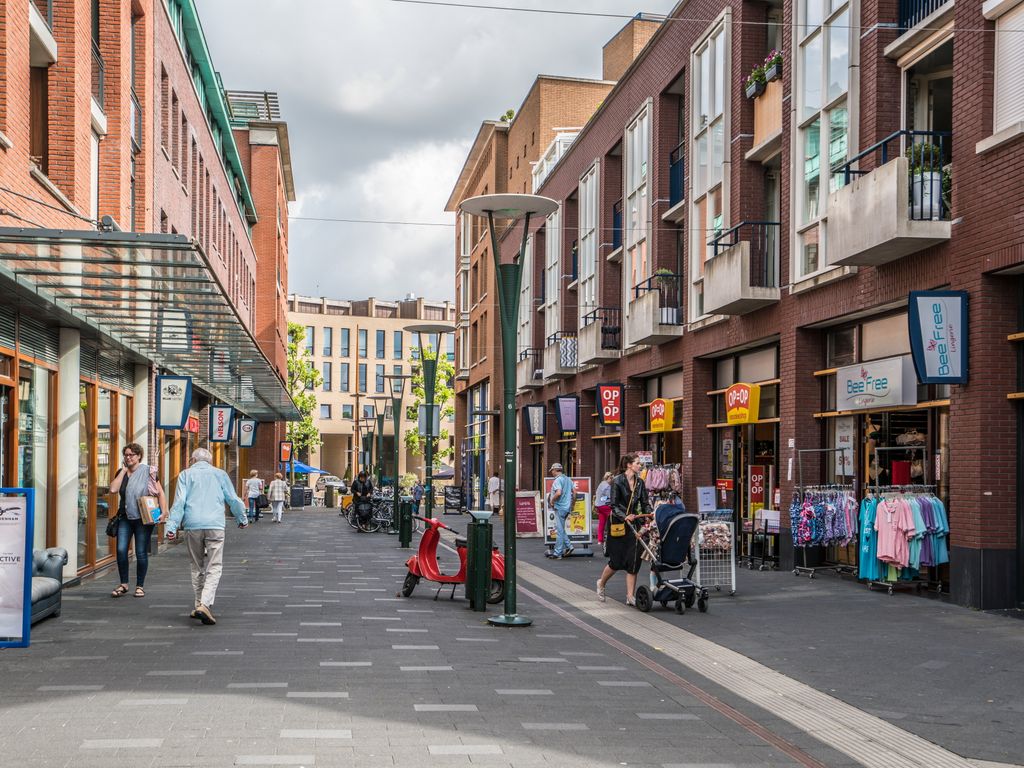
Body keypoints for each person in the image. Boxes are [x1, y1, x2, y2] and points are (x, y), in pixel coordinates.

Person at [165, 447, 248, 625]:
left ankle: (198, 605)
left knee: (196, 566)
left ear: (193, 460)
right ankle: (205, 604)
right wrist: (242, 518)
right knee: (214, 566)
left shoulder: (185, 475)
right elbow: (232, 498)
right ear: (210, 461)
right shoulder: (220, 474)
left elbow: (179, 502)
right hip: (215, 525)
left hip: (192, 524)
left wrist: (171, 527)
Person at [108, 442, 168, 599]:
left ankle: (140, 586)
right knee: (121, 550)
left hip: (144, 517)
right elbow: (113, 489)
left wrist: (164, 512)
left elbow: (160, 493)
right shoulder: (121, 472)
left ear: (139, 456)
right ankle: (124, 584)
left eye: (131, 455)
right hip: (124, 517)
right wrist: (123, 471)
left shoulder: (148, 471)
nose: (128, 457)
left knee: (141, 552)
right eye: (126, 455)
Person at [596, 454, 651, 604]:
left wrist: (650, 513)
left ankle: (630, 596)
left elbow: (645, 502)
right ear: (629, 465)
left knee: (634, 560)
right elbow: (613, 505)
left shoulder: (640, 483)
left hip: (634, 524)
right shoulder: (617, 481)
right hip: (618, 524)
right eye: (638, 463)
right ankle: (601, 584)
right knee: (616, 561)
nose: (641, 466)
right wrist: (625, 516)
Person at [546, 463, 575, 559]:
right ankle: (569, 546)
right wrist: (572, 504)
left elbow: (558, 493)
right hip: (567, 508)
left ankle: (557, 553)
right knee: (561, 529)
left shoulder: (558, 480)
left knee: (559, 531)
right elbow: (575, 493)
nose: (552, 473)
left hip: (560, 507)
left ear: (555, 470)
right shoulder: (568, 479)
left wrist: (552, 501)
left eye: (552, 471)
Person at [594, 471, 614, 552]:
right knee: (613, 519)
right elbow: (610, 497)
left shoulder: (601, 484)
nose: (612, 481)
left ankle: (600, 540)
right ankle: (611, 537)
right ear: (609, 478)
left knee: (601, 523)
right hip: (605, 506)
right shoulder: (607, 486)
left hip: (599, 506)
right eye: (612, 479)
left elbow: (600, 496)